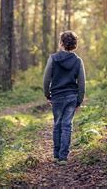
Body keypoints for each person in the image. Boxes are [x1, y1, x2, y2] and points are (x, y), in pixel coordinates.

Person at [43, 30, 86, 165]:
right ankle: (63, 157)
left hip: (57, 96)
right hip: (71, 97)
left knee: (57, 124)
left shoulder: (53, 58)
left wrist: (47, 94)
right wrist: (79, 100)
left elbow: (46, 79)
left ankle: (56, 155)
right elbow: (82, 83)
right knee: (67, 125)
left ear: (61, 43)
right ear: (75, 45)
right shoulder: (78, 61)